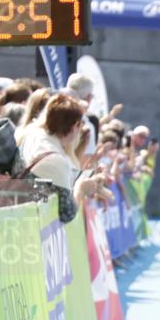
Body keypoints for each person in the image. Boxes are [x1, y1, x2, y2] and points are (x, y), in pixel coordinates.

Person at [19, 93, 103, 223]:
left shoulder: (30, 134)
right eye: (79, 125)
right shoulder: (56, 159)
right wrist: (81, 188)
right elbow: (67, 213)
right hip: (30, 225)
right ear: (74, 126)